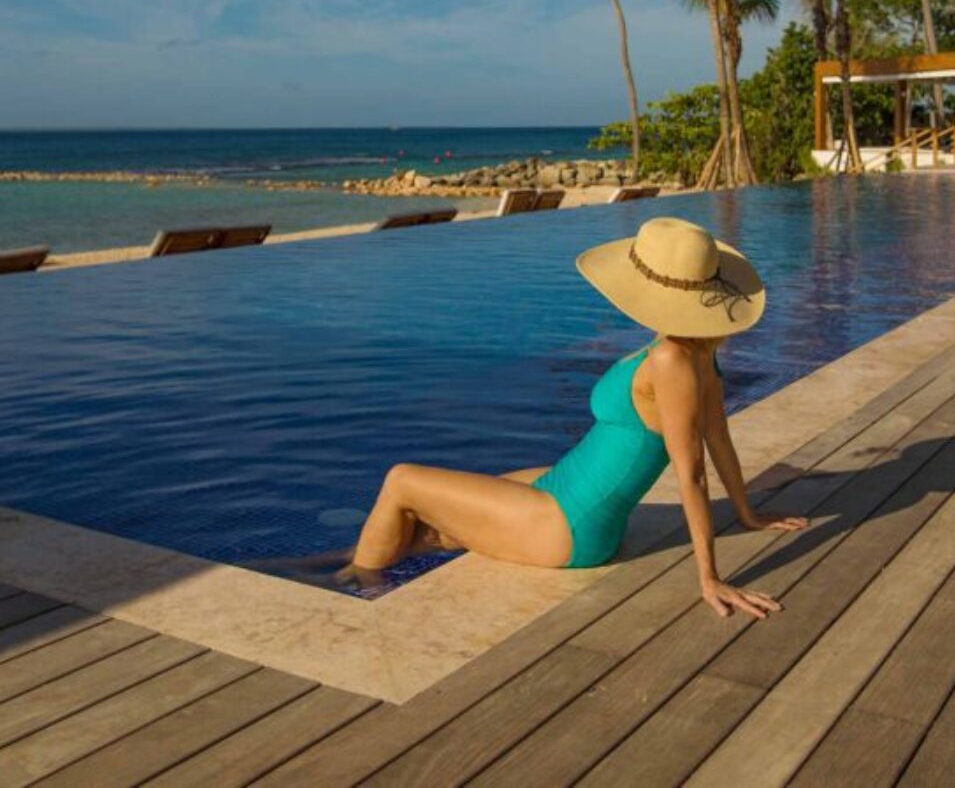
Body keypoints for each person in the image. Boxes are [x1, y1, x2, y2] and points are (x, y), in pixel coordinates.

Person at [345, 217, 807, 619]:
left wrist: (710, 579)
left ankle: (355, 580)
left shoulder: (670, 359)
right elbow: (719, 440)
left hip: (569, 525)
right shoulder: (697, 352)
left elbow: (693, 471)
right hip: (568, 490)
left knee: (402, 480)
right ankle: (348, 557)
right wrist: (748, 515)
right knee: (440, 520)